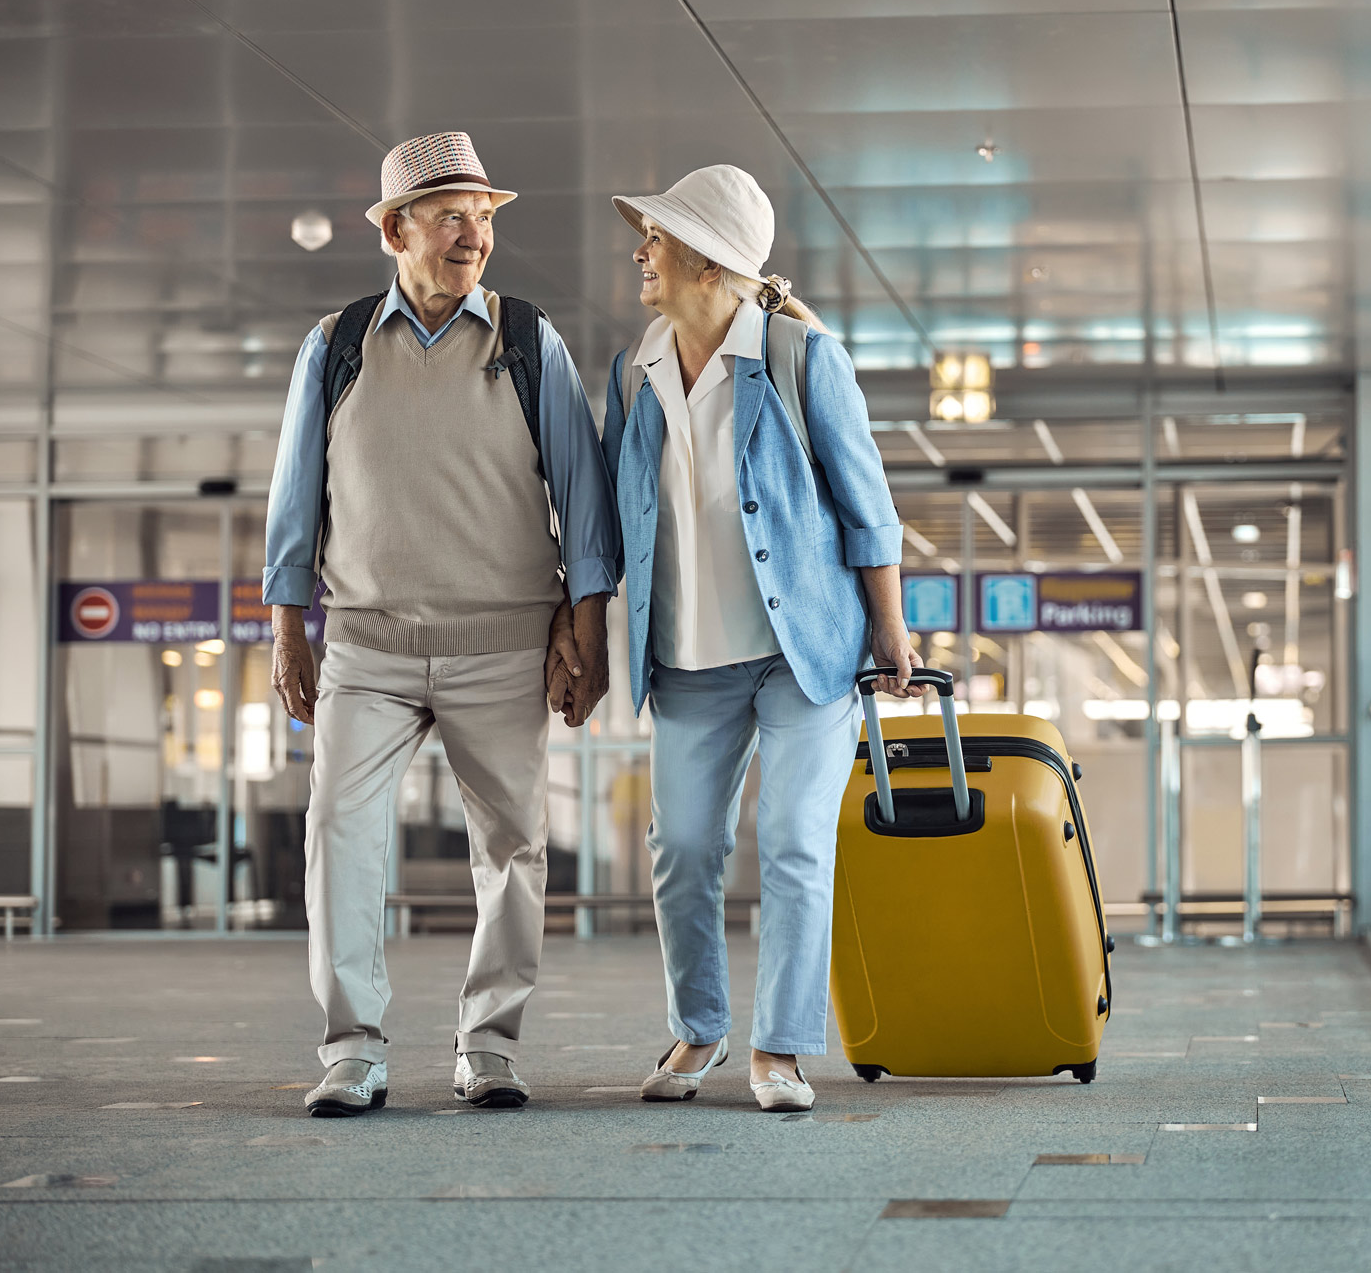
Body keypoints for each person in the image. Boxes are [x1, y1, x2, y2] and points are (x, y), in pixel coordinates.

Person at [264, 132, 613, 1118]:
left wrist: (583, 631)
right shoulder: (335, 345)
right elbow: (297, 496)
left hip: (500, 645)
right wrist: (287, 628)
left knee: (513, 844)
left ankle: (489, 1046)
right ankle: (352, 1048)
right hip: (365, 646)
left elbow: (581, 503)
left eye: (486, 218)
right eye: (452, 215)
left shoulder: (526, 338)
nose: (475, 235)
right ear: (394, 230)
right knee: (338, 833)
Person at [564, 164, 918, 1113]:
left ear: (712, 261)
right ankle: (700, 1028)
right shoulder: (633, 369)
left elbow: (867, 506)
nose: (642, 252)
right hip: (685, 655)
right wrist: (590, 632)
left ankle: (783, 1049)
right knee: (681, 844)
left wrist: (888, 628)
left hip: (804, 651)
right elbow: (608, 517)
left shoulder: (802, 357)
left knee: (796, 840)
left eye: (660, 238)